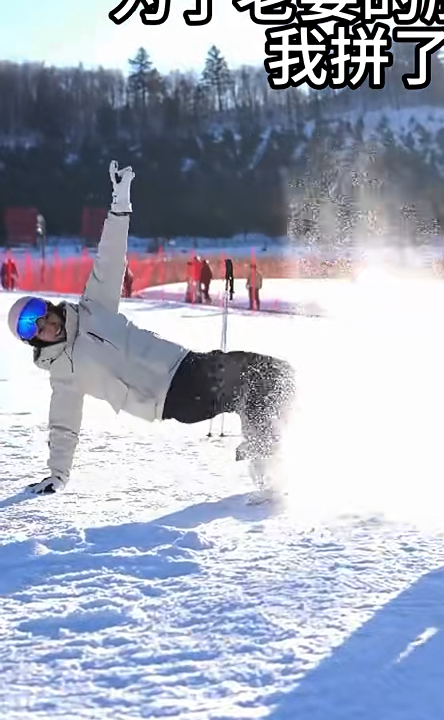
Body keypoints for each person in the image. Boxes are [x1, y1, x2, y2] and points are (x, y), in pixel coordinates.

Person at [7, 162, 295, 500]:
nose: (49, 327)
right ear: (34, 341)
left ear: (50, 308)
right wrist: (58, 474)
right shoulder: (63, 373)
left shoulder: (92, 308)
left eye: (44, 316)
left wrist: (120, 200)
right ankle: (266, 463)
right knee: (256, 376)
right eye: (38, 330)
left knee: (273, 374)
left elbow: (111, 255)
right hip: (172, 393)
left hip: (187, 363)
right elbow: (63, 427)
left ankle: (274, 446)